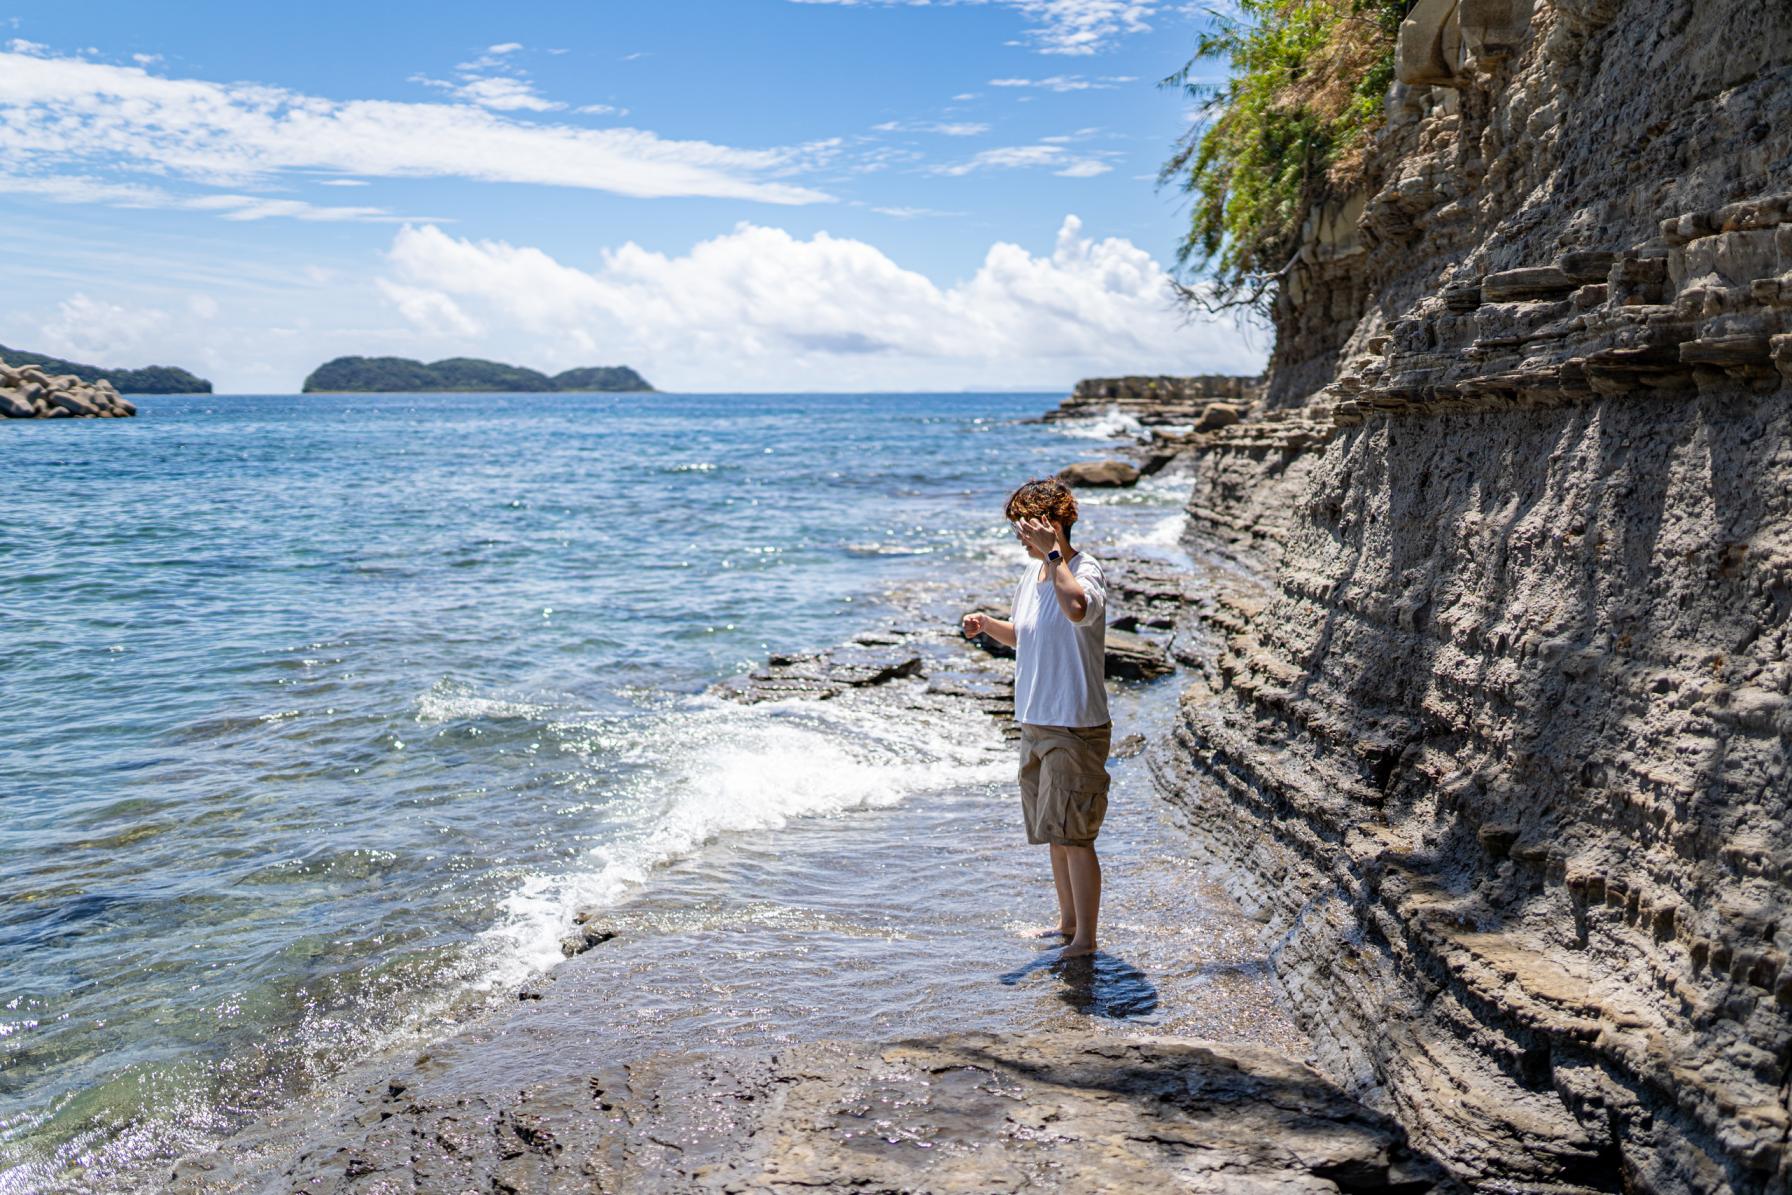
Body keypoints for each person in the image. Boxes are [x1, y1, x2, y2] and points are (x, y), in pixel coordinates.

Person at [962, 477, 1110, 960]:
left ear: (1048, 525)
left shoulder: (1083, 570)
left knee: (1076, 835)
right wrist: (988, 626)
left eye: (1024, 530)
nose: (1019, 539)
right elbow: (1025, 636)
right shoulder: (1032, 576)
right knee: (1055, 831)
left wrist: (1053, 556)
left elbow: (1077, 609)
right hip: (1035, 720)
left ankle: (1086, 941)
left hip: (1074, 723)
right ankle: (1067, 925)